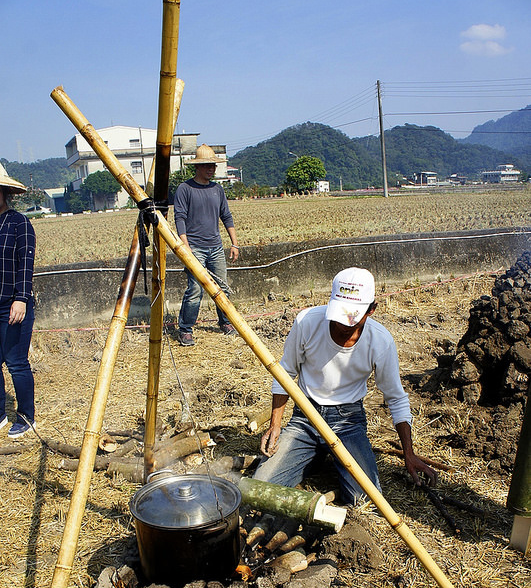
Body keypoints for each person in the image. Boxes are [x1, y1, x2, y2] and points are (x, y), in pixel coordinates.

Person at [254, 267, 436, 505]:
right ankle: (315, 453)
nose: (345, 323)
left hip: (347, 422)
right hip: (305, 418)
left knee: (364, 499)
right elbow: (285, 373)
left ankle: (325, 455)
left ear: (371, 310)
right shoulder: (308, 322)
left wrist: (408, 454)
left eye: (354, 315)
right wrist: (275, 424)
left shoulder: (380, 341)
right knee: (261, 486)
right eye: (341, 314)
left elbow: (396, 397)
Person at [174, 144, 239, 346]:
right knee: (195, 291)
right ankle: (185, 329)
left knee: (223, 288)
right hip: (195, 247)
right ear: (198, 167)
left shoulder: (217, 189)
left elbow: (226, 216)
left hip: (216, 247)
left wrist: (234, 243)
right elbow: (180, 219)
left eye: (213, 166)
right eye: (207, 166)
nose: (211, 169)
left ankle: (225, 322)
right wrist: (186, 248)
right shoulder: (185, 189)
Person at [0, 166, 36, 438]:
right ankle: (0, 413)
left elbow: (26, 265)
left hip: (11, 304)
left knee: (16, 362)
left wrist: (21, 299)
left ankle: (26, 417)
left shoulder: (18, 223)